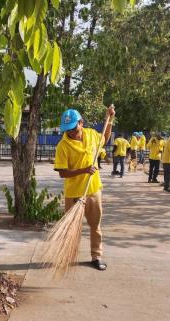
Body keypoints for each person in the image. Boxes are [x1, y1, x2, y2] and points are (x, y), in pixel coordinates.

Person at [54, 105, 115, 271]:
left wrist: (109, 120)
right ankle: (66, 257)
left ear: (81, 123)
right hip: (74, 193)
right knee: (71, 228)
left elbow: (105, 138)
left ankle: (96, 256)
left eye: (73, 128)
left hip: (93, 190)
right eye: (67, 130)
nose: (71, 132)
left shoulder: (91, 135)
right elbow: (62, 173)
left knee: (95, 226)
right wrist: (84, 170)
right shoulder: (63, 146)